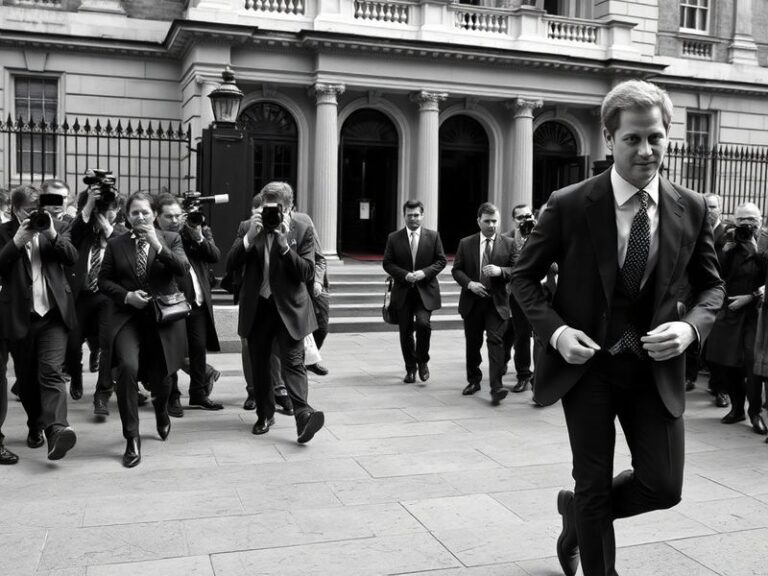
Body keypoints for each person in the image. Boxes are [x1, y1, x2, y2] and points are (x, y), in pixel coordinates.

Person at [510, 79, 724, 576]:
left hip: (655, 369)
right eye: (632, 138)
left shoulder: (690, 207)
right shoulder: (569, 202)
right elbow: (524, 277)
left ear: (669, 135)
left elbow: (712, 288)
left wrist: (690, 329)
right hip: (589, 370)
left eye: (655, 137)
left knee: (664, 487)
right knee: (591, 482)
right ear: (610, 140)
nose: (646, 150)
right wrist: (558, 333)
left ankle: (578, 515)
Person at [226, 181, 325, 442]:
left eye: (279, 207)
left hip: (290, 307)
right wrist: (249, 238)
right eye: (268, 206)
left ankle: (303, 415)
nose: (273, 212)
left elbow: (307, 271)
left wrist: (283, 245)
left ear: (290, 207)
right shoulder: (248, 227)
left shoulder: (302, 228)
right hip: (258, 306)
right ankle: (264, 414)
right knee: (259, 364)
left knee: (293, 362)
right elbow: (230, 264)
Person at [98, 191, 190, 468]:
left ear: (154, 214)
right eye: (135, 212)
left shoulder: (171, 238)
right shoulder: (116, 244)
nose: (140, 217)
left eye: (145, 212)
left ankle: (162, 411)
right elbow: (103, 281)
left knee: (161, 379)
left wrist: (157, 245)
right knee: (127, 369)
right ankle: (132, 437)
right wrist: (127, 296)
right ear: (127, 216)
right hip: (127, 319)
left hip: (161, 319)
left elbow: (182, 269)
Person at [0, 184, 80, 461]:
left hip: (54, 314)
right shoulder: (4, 232)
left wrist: (51, 233)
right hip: (20, 317)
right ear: (14, 209)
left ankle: (57, 429)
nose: (34, 215)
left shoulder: (56, 226)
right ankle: (36, 425)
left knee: (51, 372)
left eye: (38, 210)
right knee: (27, 381)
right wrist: (16, 243)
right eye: (27, 211)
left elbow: (72, 258)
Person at [154, 194, 223, 414]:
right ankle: (172, 396)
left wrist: (196, 234)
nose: (174, 220)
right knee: (172, 351)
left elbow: (214, 256)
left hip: (198, 302)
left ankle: (199, 394)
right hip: (172, 301)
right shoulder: (156, 235)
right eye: (169, 216)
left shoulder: (198, 228)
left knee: (198, 349)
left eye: (177, 216)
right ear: (158, 216)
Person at [706, 202, 768, 435]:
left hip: (755, 314)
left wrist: (755, 250)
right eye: (742, 219)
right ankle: (736, 408)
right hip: (729, 310)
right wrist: (725, 253)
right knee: (727, 363)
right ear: (734, 219)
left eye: (751, 219)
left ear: (760, 219)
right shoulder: (725, 240)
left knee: (752, 364)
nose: (746, 224)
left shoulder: (765, 241)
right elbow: (712, 275)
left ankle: (754, 413)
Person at [66, 183, 127, 415]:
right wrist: (91, 204)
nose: (108, 212)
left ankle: (102, 395)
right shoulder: (83, 232)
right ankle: (76, 375)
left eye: (113, 207)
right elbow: (74, 232)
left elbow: (125, 251)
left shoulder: (120, 232)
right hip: (82, 296)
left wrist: (108, 228)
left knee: (106, 345)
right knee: (72, 343)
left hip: (108, 297)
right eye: (104, 207)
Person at [452, 202, 517, 406]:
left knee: (495, 341)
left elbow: (518, 269)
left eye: (495, 221)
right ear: (478, 221)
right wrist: (469, 284)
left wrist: (501, 271)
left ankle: (496, 387)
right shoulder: (466, 243)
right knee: (473, 343)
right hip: (472, 301)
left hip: (496, 302)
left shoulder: (508, 243)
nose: (491, 225)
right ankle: (474, 380)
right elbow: (457, 270)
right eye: (487, 221)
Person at [383, 199, 447, 383]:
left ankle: (423, 361)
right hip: (403, 292)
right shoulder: (394, 238)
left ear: (422, 215)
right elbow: (387, 263)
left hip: (425, 291)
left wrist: (423, 273)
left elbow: (441, 261)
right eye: (409, 215)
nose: (413, 218)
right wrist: (404, 275)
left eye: (416, 215)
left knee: (423, 324)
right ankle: (410, 368)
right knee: (405, 332)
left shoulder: (433, 236)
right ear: (404, 216)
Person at [503, 204, 535, 392]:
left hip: (540, 292)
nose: (525, 220)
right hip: (517, 294)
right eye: (520, 217)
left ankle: (540, 377)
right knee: (521, 335)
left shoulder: (541, 235)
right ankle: (523, 375)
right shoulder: (507, 239)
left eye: (528, 216)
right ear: (514, 220)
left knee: (541, 338)